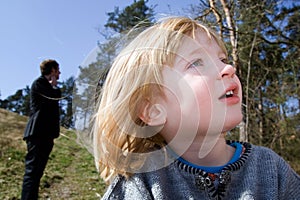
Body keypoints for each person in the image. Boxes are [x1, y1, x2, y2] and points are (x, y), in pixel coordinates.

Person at [92, 17, 300, 200]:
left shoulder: (270, 168)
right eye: (196, 63)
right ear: (154, 110)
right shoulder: (142, 182)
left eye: (222, 59)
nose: (229, 69)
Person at [21, 59, 61, 200]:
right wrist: (54, 87)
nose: (59, 73)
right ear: (52, 71)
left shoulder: (49, 87)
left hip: (46, 135)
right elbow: (52, 99)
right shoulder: (39, 84)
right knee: (32, 172)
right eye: (57, 70)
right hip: (37, 134)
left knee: (37, 173)